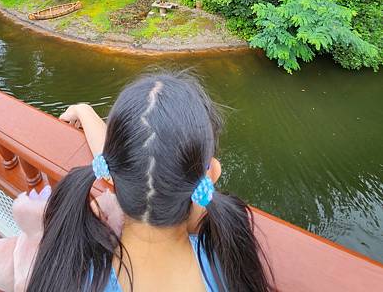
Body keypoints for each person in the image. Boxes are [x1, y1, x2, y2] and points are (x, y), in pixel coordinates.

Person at [26, 72, 273, 292]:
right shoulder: (226, 263)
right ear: (213, 172)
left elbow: (133, 163)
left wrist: (83, 110)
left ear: (111, 173)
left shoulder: (77, 274)